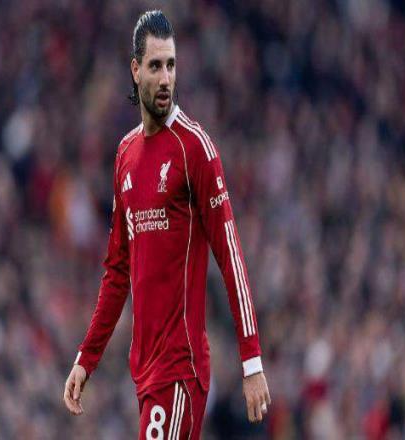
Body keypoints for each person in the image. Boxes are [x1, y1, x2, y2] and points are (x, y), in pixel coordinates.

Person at [63, 10, 271, 439]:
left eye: (171, 65)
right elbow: (117, 271)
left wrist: (251, 361)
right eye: (155, 66)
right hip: (145, 372)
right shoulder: (125, 155)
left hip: (181, 369)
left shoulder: (195, 149)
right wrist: (87, 358)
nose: (165, 78)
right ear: (135, 70)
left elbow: (230, 256)